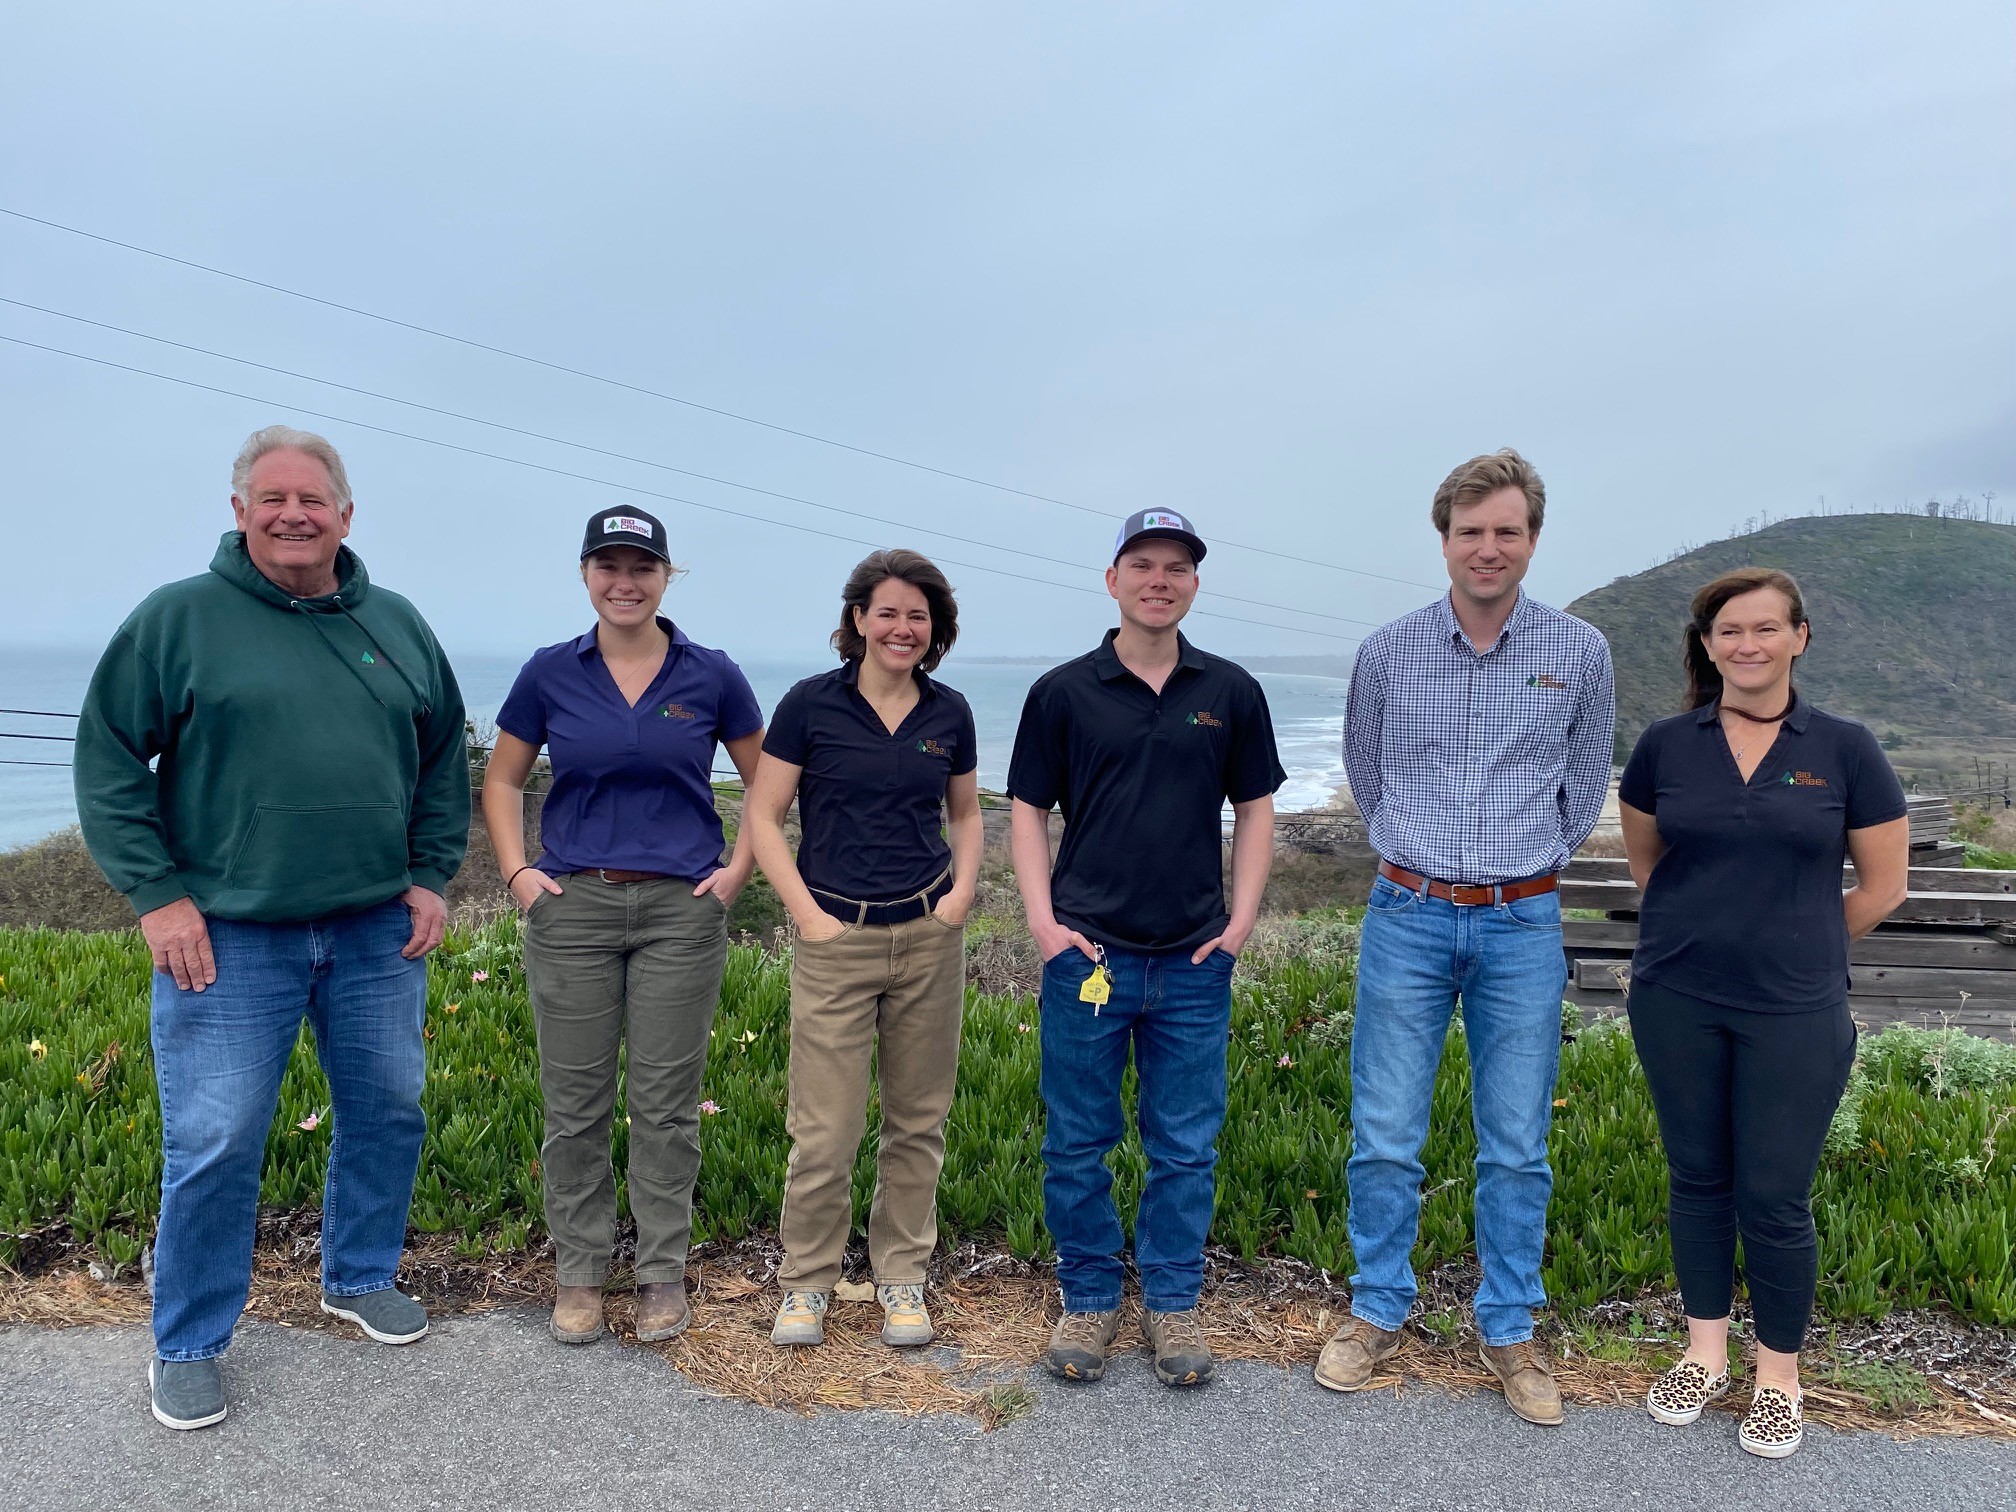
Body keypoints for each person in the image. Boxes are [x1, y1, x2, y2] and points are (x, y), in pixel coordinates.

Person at [74, 425, 469, 1431]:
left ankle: (359, 1274)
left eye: (313, 497)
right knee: (214, 1140)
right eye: (272, 496)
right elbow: (112, 761)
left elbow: (440, 763)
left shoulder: (400, 624)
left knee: (388, 1110)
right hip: (229, 938)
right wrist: (158, 897)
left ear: (345, 512)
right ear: (240, 509)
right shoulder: (180, 620)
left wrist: (428, 876)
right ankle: (190, 1341)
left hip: (376, 929)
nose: (295, 513)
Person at [1324, 449, 1614, 1426]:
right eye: (1470, 531)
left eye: (1507, 531)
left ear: (1533, 538)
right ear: (1442, 538)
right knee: (1387, 1134)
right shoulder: (1388, 652)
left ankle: (1508, 1328)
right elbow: (1367, 771)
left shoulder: (1580, 651)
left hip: (1522, 922)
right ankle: (1375, 1311)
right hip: (1406, 915)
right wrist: (1423, 856)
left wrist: (1528, 860)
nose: (1488, 548)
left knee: (1517, 1144)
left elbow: (1584, 785)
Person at [1621, 567, 1906, 1459]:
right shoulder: (1668, 744)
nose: (1747, 644)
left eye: (1764, 629)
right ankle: (1704, 1354)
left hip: (1795, 1009)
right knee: (1697, 1179)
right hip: (1677, 997)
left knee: (1775, 1197)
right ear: (1708, 646)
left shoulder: (1846, 747)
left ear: (1800, 637)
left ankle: (1778, 1376)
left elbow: (1884, 886)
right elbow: (1649, 865)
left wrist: (1802, 940)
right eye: (1728, 631)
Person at [1008, 508, 1284, 1389]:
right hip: (1088, 956)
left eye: (1176, 567)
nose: (1159, 579)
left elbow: (1257, 809)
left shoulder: (1231, 691)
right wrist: (1044, 925)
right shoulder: (1062, 690)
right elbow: (1026, 810)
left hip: (1196, 961)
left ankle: (1171, 1303)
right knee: (1077, 1141)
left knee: (1186, 1144)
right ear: (1112, 579)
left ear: (1194, 585)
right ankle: (1088, 1299)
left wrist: (1239, 922)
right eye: (1142, 564)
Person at [482, 506, 764, 1346]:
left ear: (666, 577)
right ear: (585, 575)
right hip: (574, 907)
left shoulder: (711, 674)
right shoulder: (549, 672)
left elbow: (767, 783)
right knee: (574, 1104)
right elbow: (501, 782)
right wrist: (518, 874)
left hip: (682, 909)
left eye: (641, 567)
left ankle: (659, 1276)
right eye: (608, 566)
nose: (625, 582)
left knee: (666, 1103)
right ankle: (579, 1275)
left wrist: (737, 874)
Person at [744, 549, 982, 1349]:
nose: (902, 628)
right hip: (834, 939)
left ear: (934, 628)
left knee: (919, 1120)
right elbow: (763, 816)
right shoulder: (810, 705)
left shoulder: (950, 713)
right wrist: (808, 917)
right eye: (887, 612)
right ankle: (807, 1282)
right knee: (826, 1127)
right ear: (857, 620)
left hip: (927, 937)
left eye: (918, 615)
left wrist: (960, 898)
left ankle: (901, 1277)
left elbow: (967, 815)